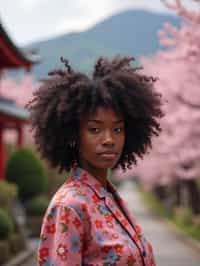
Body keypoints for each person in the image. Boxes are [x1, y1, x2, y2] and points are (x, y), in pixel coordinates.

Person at [26, 56, 164, 266]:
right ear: (73, 135)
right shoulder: (69, 207)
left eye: (117, 129)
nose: (109, 140)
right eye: (95, 129)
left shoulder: (111, 199)